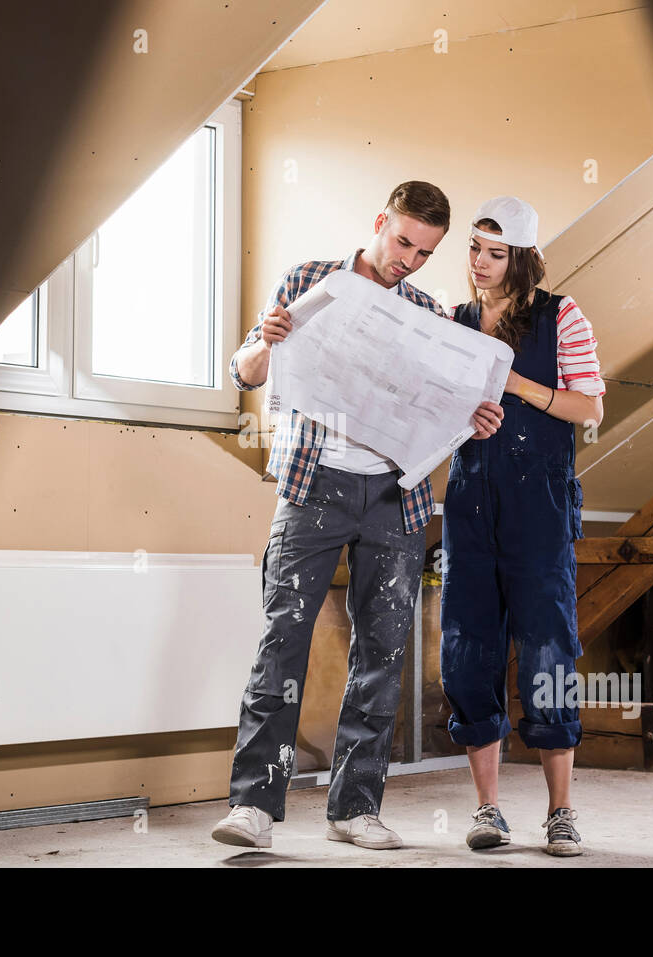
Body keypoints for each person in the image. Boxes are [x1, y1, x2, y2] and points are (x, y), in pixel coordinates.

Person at [211, 181, 504, 851]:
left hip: (396, 496)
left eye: (425, 252)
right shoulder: (311, 279)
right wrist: (267, 341)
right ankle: (253, 805)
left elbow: (442, 402)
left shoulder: (428, 312)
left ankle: (354, 807)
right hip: (312, 482)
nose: (409, 259)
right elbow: (248, 369)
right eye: (403, 241)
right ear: (380, 222)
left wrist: (477, 419)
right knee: (282, 639)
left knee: (384, 649)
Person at [439, 196, 605, 856]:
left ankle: (561, 811)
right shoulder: (452, 323)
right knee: (469, 648)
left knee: (547, 651)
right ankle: (488, 808)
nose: (480, 263)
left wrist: (518, 386)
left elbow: (590, 404)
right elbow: (438, 410)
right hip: (470, 507)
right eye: (475, 248)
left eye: (495, 252)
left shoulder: (560, 315)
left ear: (524, 258)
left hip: (539, 510)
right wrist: (464, 417)